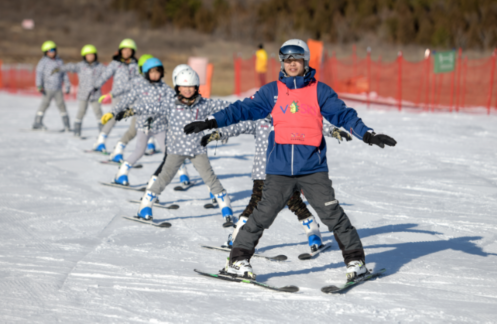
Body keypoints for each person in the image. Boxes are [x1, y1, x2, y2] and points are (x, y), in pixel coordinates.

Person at [184, 39, 397, 281]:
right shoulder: (271, 92)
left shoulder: (320, 91)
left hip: (313, 168)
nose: (291, 63)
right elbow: (241, 109)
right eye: (287, 59)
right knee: (262, 214)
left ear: (305, 61)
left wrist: (367, 134)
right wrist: (212, 121)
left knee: (331, 214)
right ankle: (237, 261)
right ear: (282, 62)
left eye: (296, 59)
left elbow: (343, 115)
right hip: (279, 169)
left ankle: (356, 262)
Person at [102, 67, 235, 226]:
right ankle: (145, 206)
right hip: (175, 150)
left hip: (197, 149)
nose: (187, 90)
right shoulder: (170, 104)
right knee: (164, 178)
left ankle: (225, 207)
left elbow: (229, 108)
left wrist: (229, 126)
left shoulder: (205, 104)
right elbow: (149, 107)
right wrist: (129, 111)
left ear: (197, 87)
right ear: (178, 88)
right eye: (183, 87)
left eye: (191, 87)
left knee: (210, 178)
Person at [202, 118, 352, 253]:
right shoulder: (258, 122)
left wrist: (333, 130)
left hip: (284, 173)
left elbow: (313, 124)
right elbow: (238, 126)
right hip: (263, 174)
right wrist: (219, 133)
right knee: (257, 204)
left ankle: (314, 236)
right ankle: (236, 238)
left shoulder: (290, 121)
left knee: (294, 203)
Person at [111, 58, 172, 186]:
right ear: (146, 73)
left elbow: (177, 101)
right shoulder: (140, 87)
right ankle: (121, 173)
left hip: (160, 126)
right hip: (144, 125)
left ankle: (183, 174)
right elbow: (126, 100)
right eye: (152, 72)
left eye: (158, 72)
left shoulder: (165, 89)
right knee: (139, 151)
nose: (155, 75)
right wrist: (113, 112)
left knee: (169, 152)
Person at [91, 38, 139, 153]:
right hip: (118, 95)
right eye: (125, 50)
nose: (127, 52)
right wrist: (96, 85)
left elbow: (140, 79)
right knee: (112, 119)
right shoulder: (115, 63)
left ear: (133, 52)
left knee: (140, 118)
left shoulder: (136, 65)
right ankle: (100, 142)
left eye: (129, 50)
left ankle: (149, 143)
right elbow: (105, 75)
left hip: (132, 97)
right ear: (120, 51)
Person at [57, 44, 106, 137]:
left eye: (92, 55)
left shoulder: (100, 67)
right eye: (88, 55)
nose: (90, 57)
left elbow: (110, 71)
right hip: (83, 94)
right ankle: (77, 131)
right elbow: (70, 66)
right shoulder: (80, 66)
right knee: (81, 112)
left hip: (95, 95)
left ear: (95, 56)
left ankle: (102, 133)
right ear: (84, 56)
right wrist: (58, 68)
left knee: (98, 112)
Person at [32, 40, 71, 131]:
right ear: (46, 52)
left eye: (53, 50)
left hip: (58, 89)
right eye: (50, 51)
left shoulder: (59, 61)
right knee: (44, 105)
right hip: (47, 89)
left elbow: (64, 74)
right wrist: (39, 85)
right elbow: (39, 74)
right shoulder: (43, 62)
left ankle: (67, 125)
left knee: (61, 105)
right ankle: (37, 122)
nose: (52, 53)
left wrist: (67, 85)